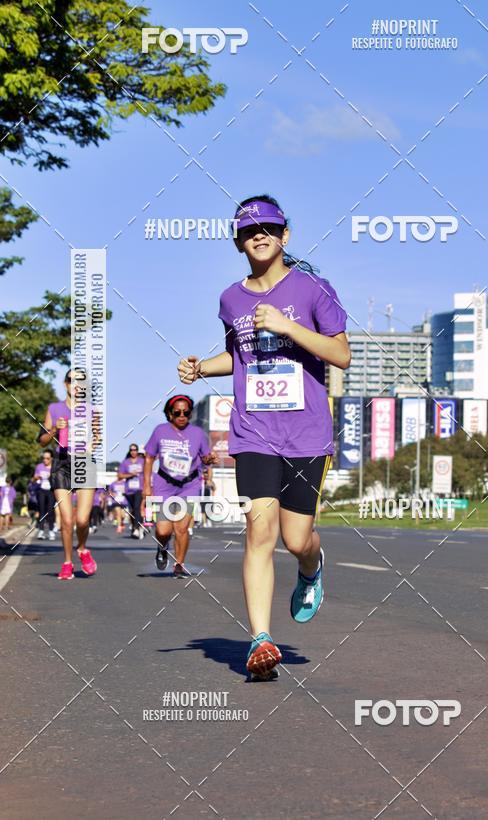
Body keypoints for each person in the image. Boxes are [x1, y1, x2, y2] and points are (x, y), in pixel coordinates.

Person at [178, 194, 350, 680]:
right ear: (238, 241)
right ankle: (260, 639)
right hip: (253, 432)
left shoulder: (315, 289)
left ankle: (312, 568)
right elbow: (239, 358)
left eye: (270, 228)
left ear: (285, 236)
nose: (261, 235)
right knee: (259, 529)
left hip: (307, 434)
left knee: (297, 540)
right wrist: (200, 367)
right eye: (251, 230)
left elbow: (341, 355)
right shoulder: (231, 298)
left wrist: (287, 325)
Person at [142, 395, 215, 578]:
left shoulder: (198, 433)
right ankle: (162, 547)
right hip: (164, 484)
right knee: (163, 530)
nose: (182, 416)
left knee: (181, 528)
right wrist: (147, 486)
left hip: (189, 485)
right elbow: (149, 457)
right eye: (177, 412)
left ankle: (179, 565)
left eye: (186, 412)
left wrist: (209, 459)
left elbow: (205, 457)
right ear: (169, 413)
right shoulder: (160, 431)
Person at [38, 371, 97, 580]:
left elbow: (97, 436)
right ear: (66, 384)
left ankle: (82, 549)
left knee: (81, 520)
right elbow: (42, 440)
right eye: (73, 381)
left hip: (84, 463)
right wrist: (55, 428)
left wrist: (92, 445)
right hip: (61, 464)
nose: (77, 385)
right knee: (66, 519)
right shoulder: (54, 408)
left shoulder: (91, 410)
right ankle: (67, 562)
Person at [118, 444, 145, 538]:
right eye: (131, 450)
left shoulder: (142, 461)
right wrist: (130, 474)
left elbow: (147, 473)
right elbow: (120, 476)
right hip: (129, 490)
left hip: (139, 489)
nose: (133, 451)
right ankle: (135, 526)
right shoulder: (125, 463)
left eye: (135, 450)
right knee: (132, 510)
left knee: (138, 507)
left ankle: (137, 528)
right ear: (129, 451)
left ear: (137, 451)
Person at [33, 450, 56, 541]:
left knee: (50, 511)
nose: (45, 460)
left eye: (47, 458)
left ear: (51, 459)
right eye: (43, 458)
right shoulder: (39, 466)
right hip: (41, 490)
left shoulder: (54, 467)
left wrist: (51, 476)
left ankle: (51, 531)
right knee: (41, 510)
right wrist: (37, 477)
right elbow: (34, 478)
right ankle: (41, 530)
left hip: (51, 491)